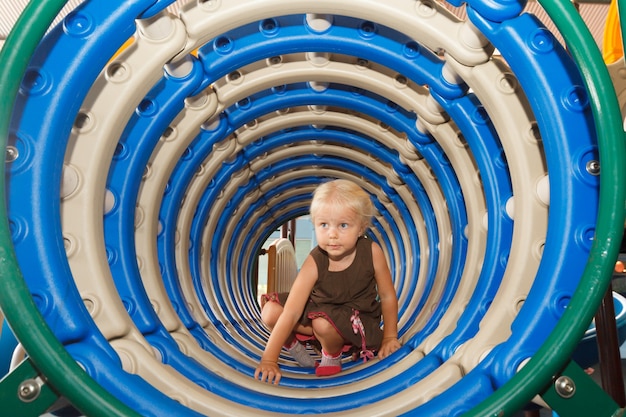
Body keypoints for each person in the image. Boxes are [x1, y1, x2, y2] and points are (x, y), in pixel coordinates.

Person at [254, 179, 401, 385]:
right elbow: (293, 312)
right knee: (271, 311)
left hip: (356, 322)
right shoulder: (315, 260)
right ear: (314, 225)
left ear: (361, 228)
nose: (332, 234)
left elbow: (386, 295)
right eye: (324, 225)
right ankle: (296, 347)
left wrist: (389, 337)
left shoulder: (371, 252)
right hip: (319, 314)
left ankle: (332, 354)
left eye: (343, 225)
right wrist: (269, 359)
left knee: (322, 323)